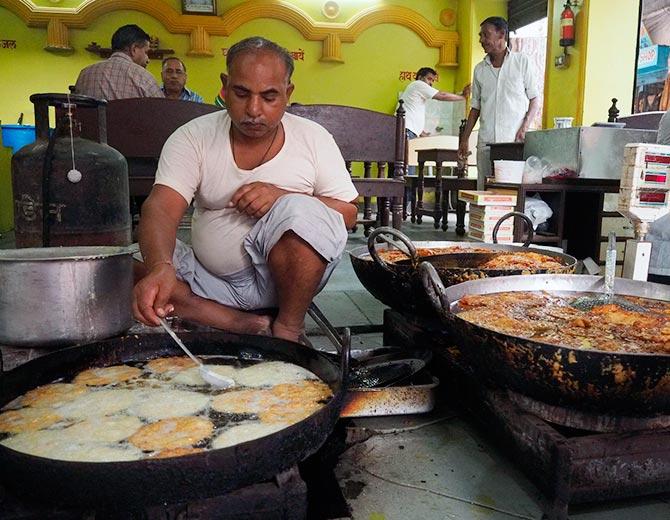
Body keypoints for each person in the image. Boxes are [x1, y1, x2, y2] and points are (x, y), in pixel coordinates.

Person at [132, 36, 358, 344]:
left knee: (300, 212)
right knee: (123, 261)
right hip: (207, 280)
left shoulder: (313, 138)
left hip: (287, 285)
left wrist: (283, 197)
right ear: (224, 86)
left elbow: (348, 214)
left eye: (269, 97)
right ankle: (232, 320)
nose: (253, 109)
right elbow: (161, 207)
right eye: (241, 93)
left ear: (288, 93)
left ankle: (289, 328)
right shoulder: (193, 137)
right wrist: (161, 266)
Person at [458, 17, 540, 189]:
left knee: (510, 192)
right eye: (480, 35)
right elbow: (475, 108)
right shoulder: (480, 69)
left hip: (513, 143)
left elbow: (534, 100)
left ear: (502, 34)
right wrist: (464, 139)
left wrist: (524, 127)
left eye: (485, 35)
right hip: (486, 142)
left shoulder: (521, 62)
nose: (481, 40)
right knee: (484, 190)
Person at [74, 24, 164, 101]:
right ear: (134, 49)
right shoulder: (144, 77)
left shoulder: (85, 74)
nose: (148, 59)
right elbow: (163, 113)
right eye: (146, 52)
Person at [400, 67, 469, 142]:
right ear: (420, 77)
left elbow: (412, 114)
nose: (431, 83)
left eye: (433, 80)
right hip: (406, 131)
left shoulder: (415, 89)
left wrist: (422, 133)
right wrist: (463, 97)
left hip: (406, 130)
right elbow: (442, 96)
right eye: (429, 79)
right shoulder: (418, 84)